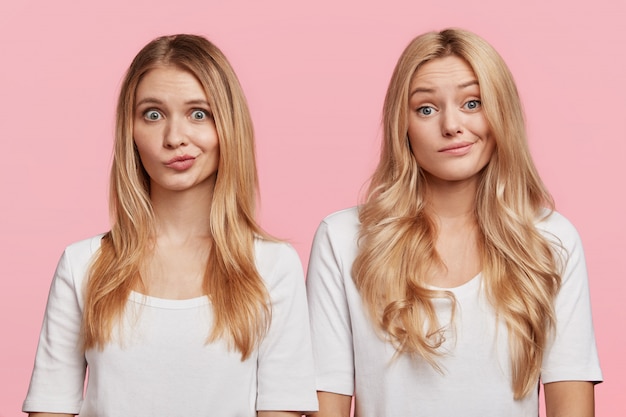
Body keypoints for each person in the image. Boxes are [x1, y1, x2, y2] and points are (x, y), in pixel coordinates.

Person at [306, 28, 602, 417]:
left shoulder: (550, 241)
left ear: (501, 112)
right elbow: (325, 402)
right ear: (403, 126)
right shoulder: (343, 239)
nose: (451, 125)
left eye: (472, 103)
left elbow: (571, 404)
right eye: (426, 109)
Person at [23, 34, 317, 417]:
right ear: (130, 132)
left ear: (228, 126)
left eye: (199, 113)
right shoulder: (82, 265)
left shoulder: (273, 266)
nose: (175, 138)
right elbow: (50, 408)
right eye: (153, 114)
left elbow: (282, 409)